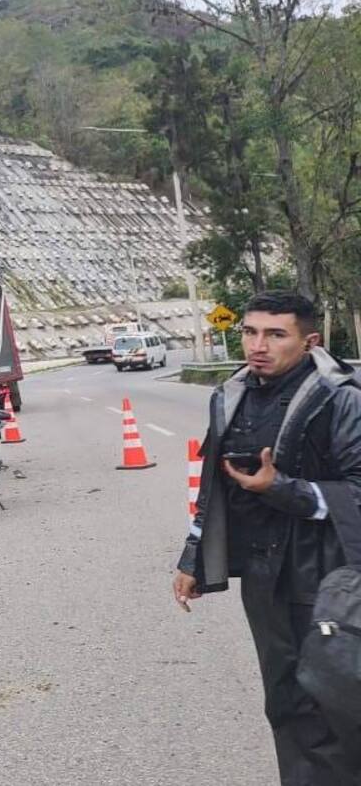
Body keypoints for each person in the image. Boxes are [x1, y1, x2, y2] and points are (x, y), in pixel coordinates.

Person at [173, 291, 361, 785]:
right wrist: (193, 557)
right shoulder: (230, 395)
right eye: (250, 332)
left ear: (310, 340)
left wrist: (284, 490)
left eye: (276, 334)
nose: (258, 345)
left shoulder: (342, 398)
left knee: (331, 703)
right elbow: (214, 487)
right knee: (284, 701)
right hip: (264, 575)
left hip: (327, 575)